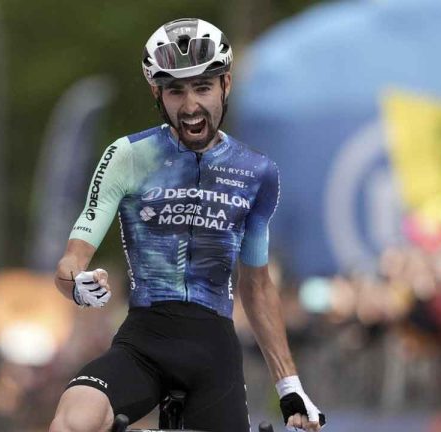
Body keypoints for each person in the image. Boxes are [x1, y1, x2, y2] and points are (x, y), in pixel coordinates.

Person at [49, 18, 325, 432]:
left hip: (213, 354)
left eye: (202, 87)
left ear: (225, 85)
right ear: (156, 94)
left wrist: (289, 384)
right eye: (176, 90)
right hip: (143, 344)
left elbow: (258, 286)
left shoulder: (257, 173)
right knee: (75, 417)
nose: (191, 105)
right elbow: (70, 264)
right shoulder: (127, 156)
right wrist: (78, 286)